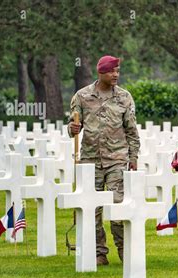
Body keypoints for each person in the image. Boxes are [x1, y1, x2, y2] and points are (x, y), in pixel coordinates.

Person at [67, 55, 140, 266]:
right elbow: (73, 125)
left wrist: (133, 157)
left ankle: (125, 250)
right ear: (101, 73)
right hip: (90, 160)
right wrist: (72, 129)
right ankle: (99, 252)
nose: (116, 75)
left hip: (117, 159)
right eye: (112, 71)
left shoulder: (124, 98)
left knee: (119, 206)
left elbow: (131, 130)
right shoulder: (81, 96)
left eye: (118, 71)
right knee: (92, 209)